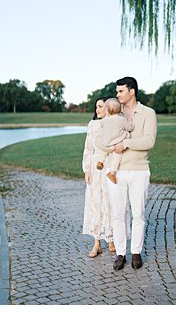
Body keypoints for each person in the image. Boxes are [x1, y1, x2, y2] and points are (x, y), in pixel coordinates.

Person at [107, 77, 157, 271]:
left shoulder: (148, 113)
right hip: (116, 171)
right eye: (117, 92)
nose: (117, 95)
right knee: (118, 214)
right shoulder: (113, 112)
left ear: (132, 91)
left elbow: (149, 141)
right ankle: (120, 253)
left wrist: (126, 144)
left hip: (139, 171)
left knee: (138, 214)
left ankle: (136, 252)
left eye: (120, 91)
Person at [81, 98, 114, 258]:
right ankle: (97, 243)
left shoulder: (114, 123)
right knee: (95, 203)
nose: (97, 109)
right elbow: (88, 148)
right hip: (95, 168)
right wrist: (87, 169)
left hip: (108, 166)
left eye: (100, 106)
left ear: (108, 107)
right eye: (96, 107)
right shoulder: (92, 125)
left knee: (110, 202)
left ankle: (111, 238)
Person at [93, 98, 134, 184]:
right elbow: (130, 127)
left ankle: (100, 161)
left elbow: (101, 131)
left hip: (106, 143)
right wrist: (130, 121)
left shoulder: (104, 121)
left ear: (107, 111)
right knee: (117, 156)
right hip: (116, 144)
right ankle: (112, 173)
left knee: (104, 151)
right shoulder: (121, 120)